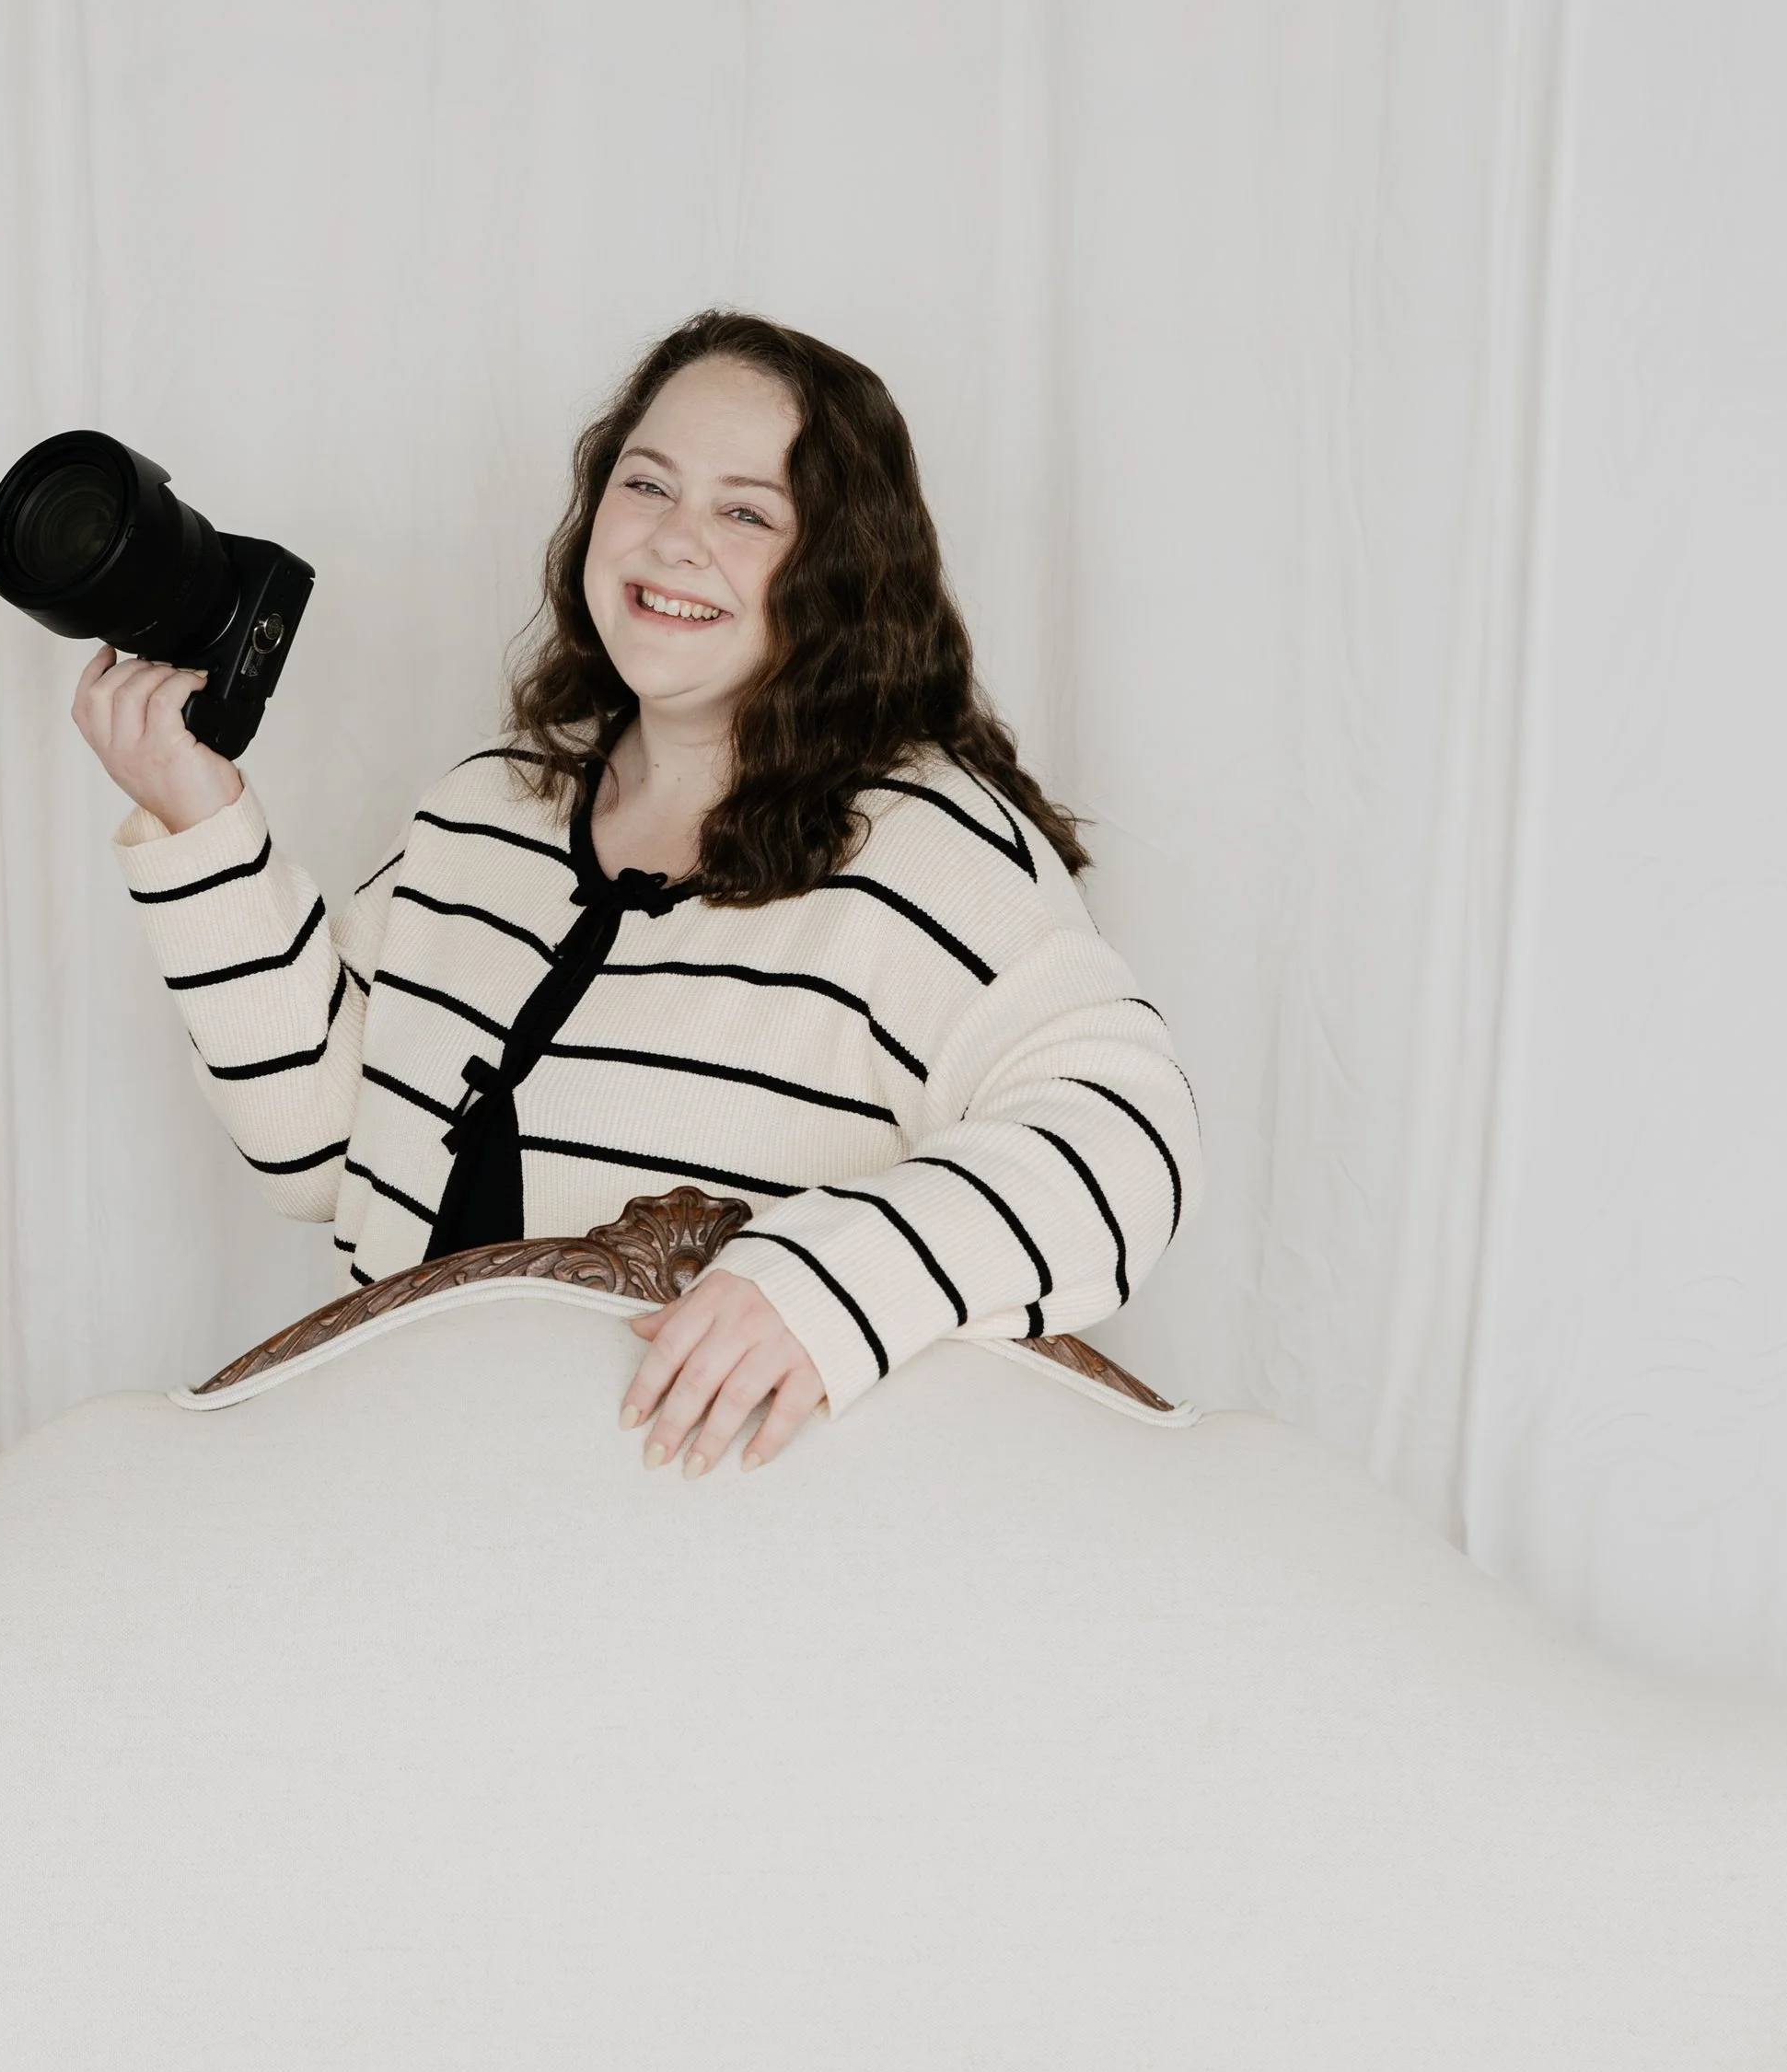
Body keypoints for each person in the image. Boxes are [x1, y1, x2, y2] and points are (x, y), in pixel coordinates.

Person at [76, 310, 1201, 1476]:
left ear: (844, 573)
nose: (673, 541)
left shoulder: (925, 851)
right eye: (646, 485)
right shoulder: (482, 811)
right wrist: (198, 820)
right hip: (405, 1497)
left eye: (747, 511)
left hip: (696, 1571)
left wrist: (830, 1283)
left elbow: (1128, 1140)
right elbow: (317, 1148)